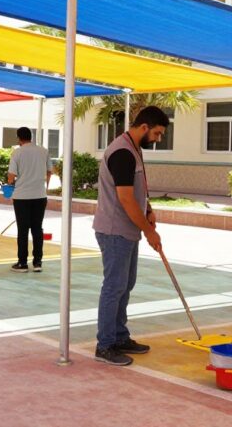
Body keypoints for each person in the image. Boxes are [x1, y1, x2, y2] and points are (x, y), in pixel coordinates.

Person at [92, 106, 168, 366]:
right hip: (115, 231)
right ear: (144, 127)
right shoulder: (122, 152)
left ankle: (119, 336)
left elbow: (135, 190)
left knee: (126, 284)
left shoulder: (133, 148)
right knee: (114, 287)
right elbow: (124, 198)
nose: (157, 139)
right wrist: (149, 232)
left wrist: (147, 208)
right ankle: (105, 345)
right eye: (156, 133)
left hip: (128, 230)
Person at [7, 126, 53, 272]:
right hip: (40, 195)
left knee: (23, 229)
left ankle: (22, 263)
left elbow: (11, 176)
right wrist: (45, 186)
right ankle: (38, 262)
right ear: (31, 136)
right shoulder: (43, 151)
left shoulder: (17, 153)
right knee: (37, 229)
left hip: (22, 197)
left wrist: (11, 187)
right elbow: (49, 171)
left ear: (19, 138)